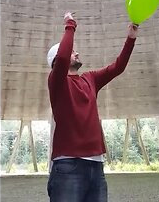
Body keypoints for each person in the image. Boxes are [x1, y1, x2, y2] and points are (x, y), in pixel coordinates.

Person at [46, 11, 139, 202]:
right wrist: (70, 24)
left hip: (96, 166)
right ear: (58, 59)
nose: (77, 53)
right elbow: (63, 59)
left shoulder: (90, 79)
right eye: (73, 51)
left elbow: (118, 67)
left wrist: (130, 39)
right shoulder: (56, 82)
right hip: (67, 165)